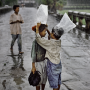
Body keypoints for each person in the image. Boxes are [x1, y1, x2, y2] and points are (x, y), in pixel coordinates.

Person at [35, 23, 64, 90]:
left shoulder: (50, 43)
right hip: (58, 64)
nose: (49, 33)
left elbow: (39, 40)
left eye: (51, 32)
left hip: (52, 65)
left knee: (54, 84)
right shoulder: (58, 41)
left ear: (53, 34)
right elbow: (51, 37)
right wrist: (48, 31)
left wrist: (37, 29)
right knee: (58, 81)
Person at [31, 24, 48, 90]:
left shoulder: (44, 41)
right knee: (38, 80)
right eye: (44, 31)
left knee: (44, 78)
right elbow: (33, 55)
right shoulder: (35, 42)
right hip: (38, 64)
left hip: (44, 62)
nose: (45, 33)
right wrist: (33, 67)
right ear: (39, 32)